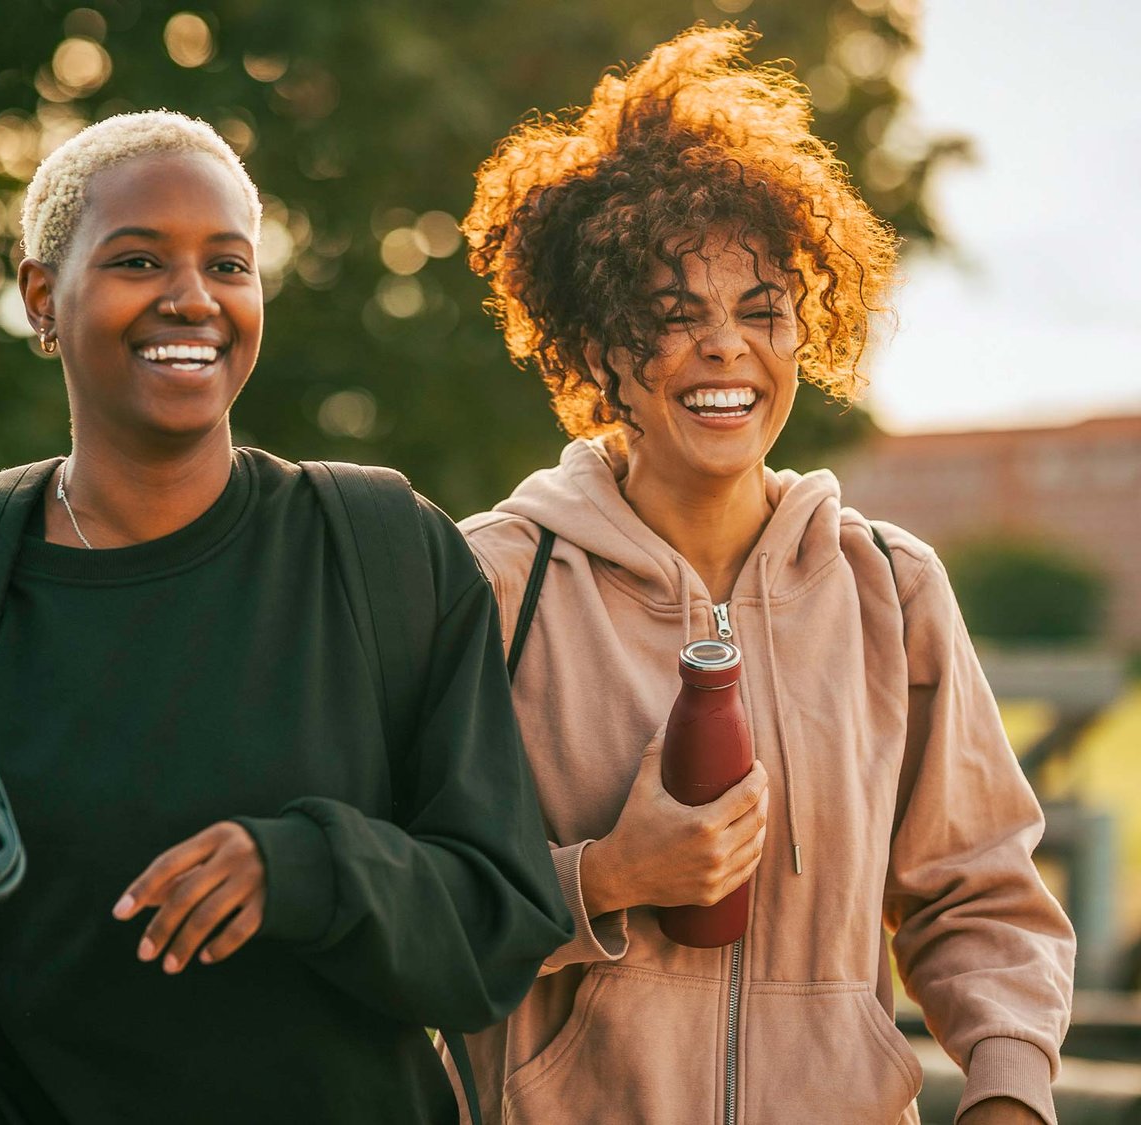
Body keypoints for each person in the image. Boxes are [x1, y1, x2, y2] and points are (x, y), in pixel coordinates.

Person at [0, 109, 571, 1124]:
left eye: (228, 265)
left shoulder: (381, 548)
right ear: (39, 299)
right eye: (138, 260)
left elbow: (499, 917)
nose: (190, 299)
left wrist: (306, 867)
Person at [449, 26, 1074, 1125]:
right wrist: (602, 879)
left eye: (759, 312)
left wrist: (1008, 1094)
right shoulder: (494, 585)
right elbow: (408, 903)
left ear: (802, 331)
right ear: (596, 351)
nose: (724, 349)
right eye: (671, 317)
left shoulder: (890, 589)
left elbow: (978, 893)